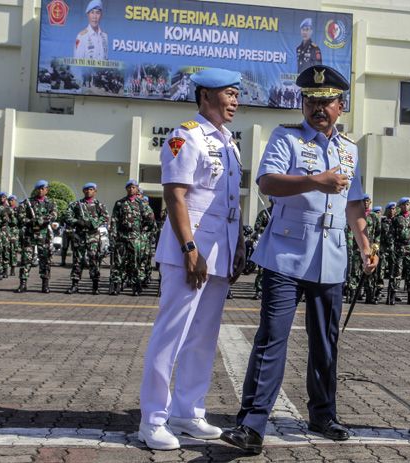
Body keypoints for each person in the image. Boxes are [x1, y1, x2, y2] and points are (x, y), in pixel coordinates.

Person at [221, 65, 377, 454]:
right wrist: (314, 181)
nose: (317, 108)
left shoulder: (350, 149)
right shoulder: (286, 138)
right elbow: (267, 182)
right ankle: (252, 424)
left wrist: (364, 243)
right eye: (310, 101)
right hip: (286, 255)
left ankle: (323, 414)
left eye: (325, 102)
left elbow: (354, 202)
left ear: (342, 106)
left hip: (331, 258)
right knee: (272, 339)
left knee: (326, 342)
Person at [138, 68, 245, 450]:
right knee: (172, 334)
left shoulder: (229, 142)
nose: (235, 101)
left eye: (236, 94)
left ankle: (187, 410)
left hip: (219, 252)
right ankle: (152, 418)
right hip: (191, 252)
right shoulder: (186, 136)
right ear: (205, 95)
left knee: (203, 337)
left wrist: (238, 247)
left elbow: (231, 204)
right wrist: (189, 250)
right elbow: (175, 195)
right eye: (229, 93)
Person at [110, 179, 155, 296]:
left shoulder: (142, 203)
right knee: (119, 262)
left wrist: (142, 231)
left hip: (135, 237)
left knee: (135, 262)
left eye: (133, 187)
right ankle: (117, 286)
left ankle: (136, 286)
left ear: (137, 189)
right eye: (129, 187)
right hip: (121, 237)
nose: (131, 189)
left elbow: (150, 219)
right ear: (126, 189)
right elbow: (114, 220)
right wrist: (113, 235)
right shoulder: (119, 203)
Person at [65, 182, 109, 295]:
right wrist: (78, 221)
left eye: (91, 189)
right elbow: (67, 216)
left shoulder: (99, 205)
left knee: (94, 260)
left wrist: (93, 223)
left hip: (93, 236)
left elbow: (105, 218)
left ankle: (95, 286)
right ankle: (75, 285)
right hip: (79, 236)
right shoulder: (76, 204)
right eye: (86, 189)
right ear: (83, 191)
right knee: (77, 261)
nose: (88, 191)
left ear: (95, 191)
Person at [14, 180, 57, 294]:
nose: (41, 190)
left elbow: (54, 215)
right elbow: (20, 216)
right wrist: (31, 221)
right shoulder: (27, 202)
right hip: (30, 234)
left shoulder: (50, 203)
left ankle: (45, 284)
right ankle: (23, 284)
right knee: (26, 259)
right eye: (39, 188)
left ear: (47, 190)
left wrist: (42, 220)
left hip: (44, 235)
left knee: (45, 259)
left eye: (43, 188)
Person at [390, 197, 410, 305]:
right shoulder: (396, 219)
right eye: (404, 205)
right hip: (399, 248)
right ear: (400, 206)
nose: (406, 206)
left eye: (408, 204)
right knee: (397, 273)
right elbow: (391, 235)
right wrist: (393, 249)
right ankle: (392, 296)